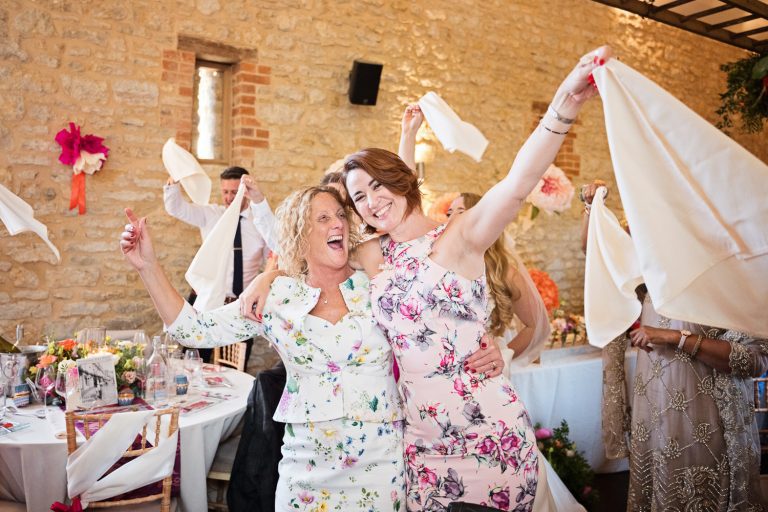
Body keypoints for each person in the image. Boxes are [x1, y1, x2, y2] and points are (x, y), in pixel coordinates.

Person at [245, 45, 611, 510]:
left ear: (404, 179)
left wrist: (564, 105)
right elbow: (310, 245)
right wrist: (269, 274)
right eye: (359, 198)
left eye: (378, 185)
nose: (371, 201)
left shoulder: (460, 237)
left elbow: (518, 181)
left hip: (486, 435)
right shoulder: (376, 255)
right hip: (419, 448)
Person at [121, 185, 500, 511]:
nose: (337, 223)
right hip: (306, 472)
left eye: (340, 215)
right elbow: (194, 330)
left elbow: (442, 325)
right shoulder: (278, 296)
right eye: (322, 219)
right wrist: (147, 266)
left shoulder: (379, 286)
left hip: (381, 466)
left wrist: (486, 345)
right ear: (299, 233)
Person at [581, 181, 768, 511]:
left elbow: (751, 361)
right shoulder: (654, 267)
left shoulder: (729, 271)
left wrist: (674, 338)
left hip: (707, 412)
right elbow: (600, 255)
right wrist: (592, 207)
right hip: (653, 405)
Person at [164, 166, 273, 363]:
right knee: (194, 361)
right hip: (207, 301)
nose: (230, 197)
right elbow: (176, 208)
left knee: (235, 365)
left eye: (234, 191)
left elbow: (270, 260)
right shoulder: (210, 215)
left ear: (245, 191)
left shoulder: (261, 223)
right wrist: (175, 179)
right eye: (225, 192)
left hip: (240, 306)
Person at [446, 192, 550, 371]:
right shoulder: (439, 265)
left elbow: (535, 325)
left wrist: (503, 355)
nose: (451, 218)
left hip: (485, 374)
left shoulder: (504, 273)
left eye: (460, 211)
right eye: (449, 213)